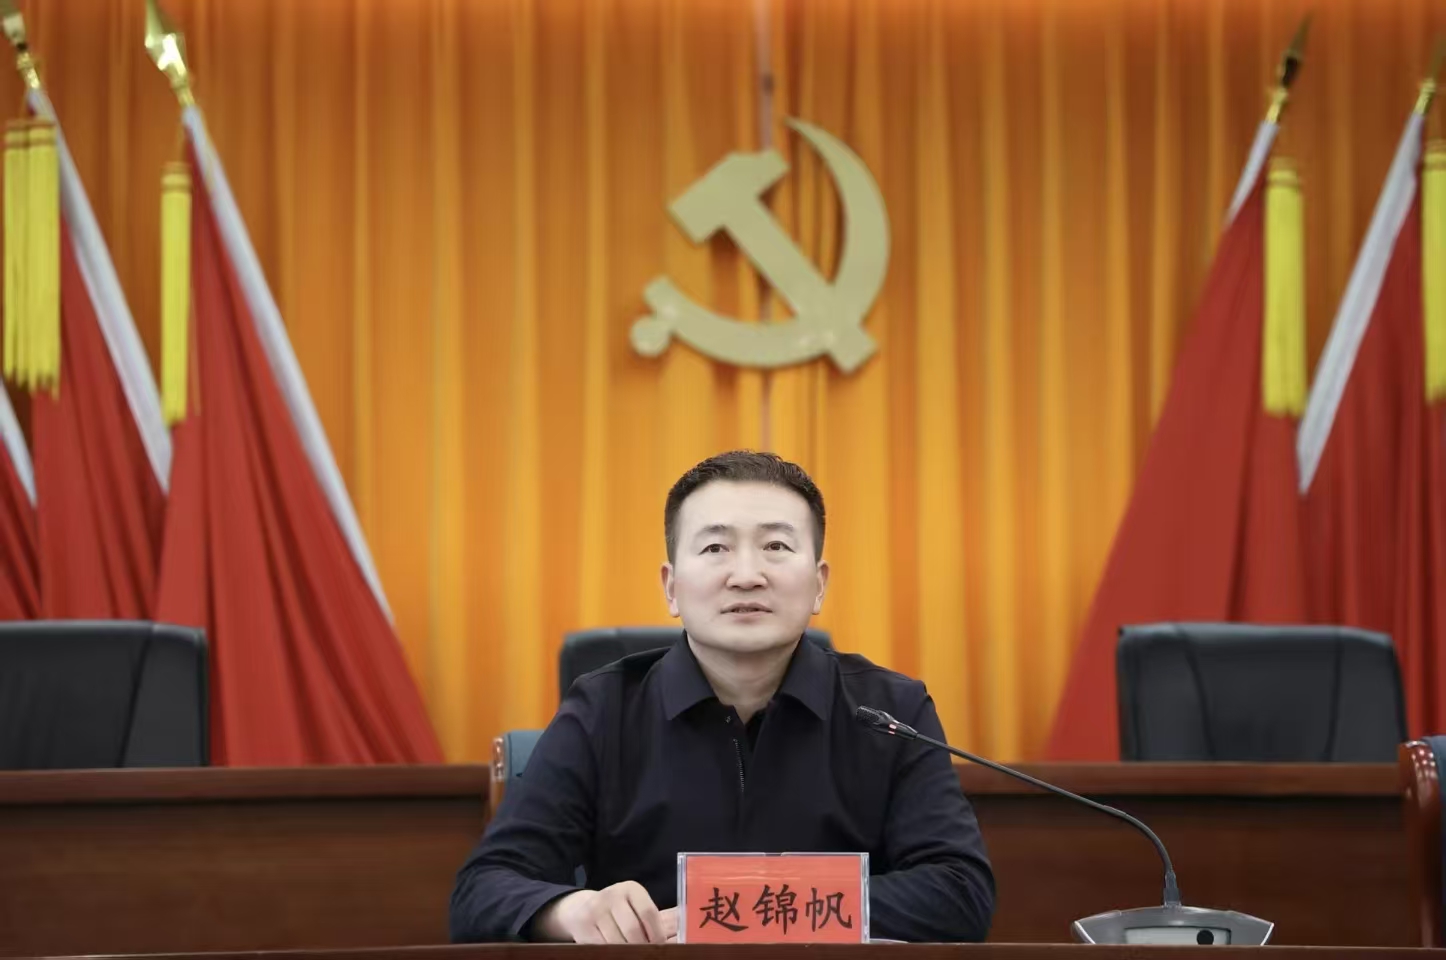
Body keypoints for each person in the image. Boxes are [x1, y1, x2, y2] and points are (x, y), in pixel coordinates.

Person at [450, 450, 994, 944]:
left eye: (776, 546)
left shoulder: (892, 711)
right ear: (671, 587)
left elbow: (960, 891)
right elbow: (483, 890)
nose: (746, 575)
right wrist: (570, 911)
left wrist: (743, 913)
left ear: (819, 583)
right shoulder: (605, 710)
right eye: (715, 548)